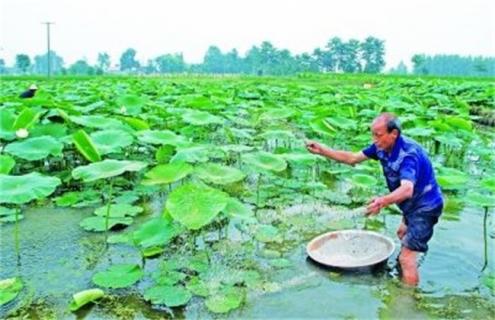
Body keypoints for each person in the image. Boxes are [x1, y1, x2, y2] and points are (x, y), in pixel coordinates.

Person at [306, 113, 443, 286]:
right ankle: (405, 268)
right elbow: (353, 158)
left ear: (394, 134)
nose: (374, 140)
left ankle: (409, 300)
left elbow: (407, 189)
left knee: (407, 258)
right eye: (373, 135)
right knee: (402, 234)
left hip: (425, 207)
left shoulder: (408, 155)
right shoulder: (382, 147)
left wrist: (382, 201)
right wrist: (322, 150)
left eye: (378, 135)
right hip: (410, 206)